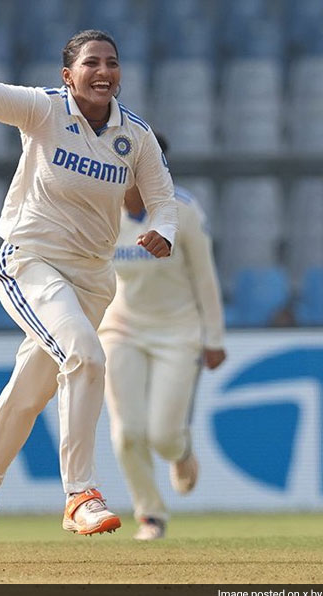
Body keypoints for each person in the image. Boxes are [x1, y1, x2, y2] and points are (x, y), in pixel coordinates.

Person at [0, 29, 179, 561]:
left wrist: (163, 231)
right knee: (85, 356)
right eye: (91, 63)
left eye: (112, 62)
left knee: (29, 392)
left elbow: (163, 199)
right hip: (30, 263)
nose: (103, 72)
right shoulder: (43, 110)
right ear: (68, 75)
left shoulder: (135, 135)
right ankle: (80, 493)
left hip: (92, 280)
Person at [99, 135, 226, 541]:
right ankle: (150, 514)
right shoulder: (99, 209)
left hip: (178, 330)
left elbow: (205, 278)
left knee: (164, 436)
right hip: (121, 328)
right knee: (126, 431)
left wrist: (214, 338)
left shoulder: (182, 211)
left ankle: (181, 452)